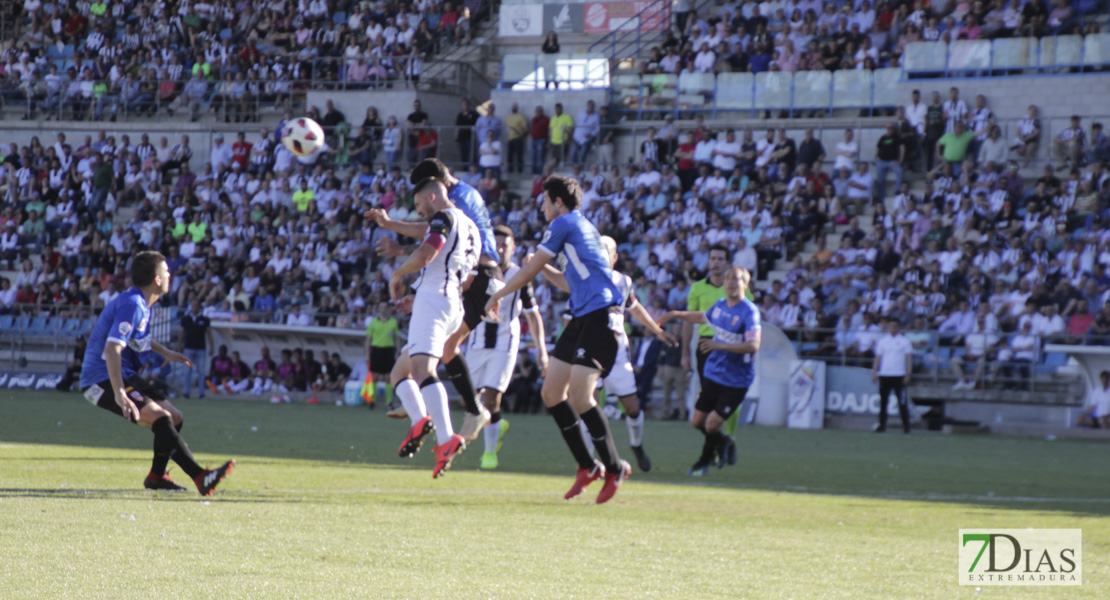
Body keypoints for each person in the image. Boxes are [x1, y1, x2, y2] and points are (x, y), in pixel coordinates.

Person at [484, 175, 631, 504]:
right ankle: (586, 466)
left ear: (558, 202)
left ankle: (614, 465)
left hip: (600, 317)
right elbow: (571, 283)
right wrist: (544, 271)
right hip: (582, 316)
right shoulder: (579, 227)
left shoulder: (563, 223)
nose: (542, 207)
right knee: (552, 393)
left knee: (580, 395)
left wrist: (498, 296)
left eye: (545, 201)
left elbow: (526, 273)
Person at [369, 158, 503, 443]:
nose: (420, 208)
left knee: (446, 347)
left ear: (436, 187)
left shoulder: (458, 201)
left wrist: (394, 233)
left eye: (420, 198)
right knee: (438, 349)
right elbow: (435, 233)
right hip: (471, 276)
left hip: (478, 275)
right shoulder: (459, 197)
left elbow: (440, 237)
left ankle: (467, 409)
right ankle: (419, 394)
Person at [79, 251, 234, 496]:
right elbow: (111, 349)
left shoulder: (140, 303)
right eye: (166, 271)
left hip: (124, 374)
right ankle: (200, 476)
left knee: (175, 417)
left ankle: (156, 476)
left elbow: (138, 337)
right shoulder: (132, 304)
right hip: (101, 379)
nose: (170, 275)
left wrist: (167, 352)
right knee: (160, 416)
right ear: (157, 279)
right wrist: (119, 393)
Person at [537, 235, 678, 472]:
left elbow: (634, 307)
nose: (599, 253)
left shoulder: (623, 281)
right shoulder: (582, 278)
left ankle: (636, 444)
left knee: (632, 407)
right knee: (584, 400)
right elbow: (567, 301)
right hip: (590, 346)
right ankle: (589, 461)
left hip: (617, 350)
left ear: (614, 257)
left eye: (605, 250)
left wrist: (656, 330)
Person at [381, 178, 479, 478]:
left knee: (423, 371)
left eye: (420, 204)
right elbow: (465, 274)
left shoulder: (443, 217)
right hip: (451, 301)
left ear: (433, 196)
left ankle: (447, 439)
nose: (420, 211)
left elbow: (427, 254)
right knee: (400, 373)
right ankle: (421, 420)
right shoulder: (470, 226)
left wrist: (398, 273)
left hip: (436, 300)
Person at [657, 266, 761, 477]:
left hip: (737, 380)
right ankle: (724, 442)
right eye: (728, 278)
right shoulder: (721, 306)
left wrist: (720, 345)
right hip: (714, 373)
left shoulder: (749, 312)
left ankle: (703, 462)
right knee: (697, 422)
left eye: (737, 279)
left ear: (745, 284)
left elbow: (753, 345)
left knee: (712, 423)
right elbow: (702, 317)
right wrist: (674, 314)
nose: (731, 282)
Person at [467, 225, 549, 470]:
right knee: (469, 400)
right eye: (497, 244)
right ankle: (498, 424)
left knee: (491, 401)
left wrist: (542, 350)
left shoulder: (521, 276)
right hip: (477, 341)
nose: (501, 249)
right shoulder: (479, 272)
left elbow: (533, 316)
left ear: (513, 248)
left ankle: (489, 454)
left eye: (506, 245)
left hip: (505, 343)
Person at [871, 317, 913, 434]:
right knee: (883, 402)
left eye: (895, 326)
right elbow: (878, 358)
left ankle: (906, 427)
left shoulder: (905, 341)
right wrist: (874, 372)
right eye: (891, 326)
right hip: (884, 375)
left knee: (902, 403)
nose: (893, 328)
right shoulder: (882, 341)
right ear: (888, 327)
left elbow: (909, 358)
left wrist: (908, 374)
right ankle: (882, 425)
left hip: (899, 375)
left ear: (898, 327)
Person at [365, 301, 401, 411]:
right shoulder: (373, 322)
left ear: (388, 309)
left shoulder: (393, 322)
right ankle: (372, 401)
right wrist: (367, 354)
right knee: (374, 377)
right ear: (379, 308)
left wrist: (399, 352)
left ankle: (389, 403)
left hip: (388, 350)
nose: (383, 309)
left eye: (385, 307)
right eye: (381, 307)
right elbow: (368, 339)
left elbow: (396, 338)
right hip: (376, 350)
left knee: (388, 378)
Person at [178, 299, 213, 399]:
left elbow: (209, 333)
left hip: (201, 348)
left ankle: (201, 393)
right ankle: (186, 393)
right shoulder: (186, 319)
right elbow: (181, 333)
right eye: (193, 305)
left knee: (201, 372)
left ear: (199, 307)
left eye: (196, 305)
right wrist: (179, 346)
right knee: (187, 372)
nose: (194, 307)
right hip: (188, 348)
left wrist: (211, 346)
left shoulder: (204, 319)